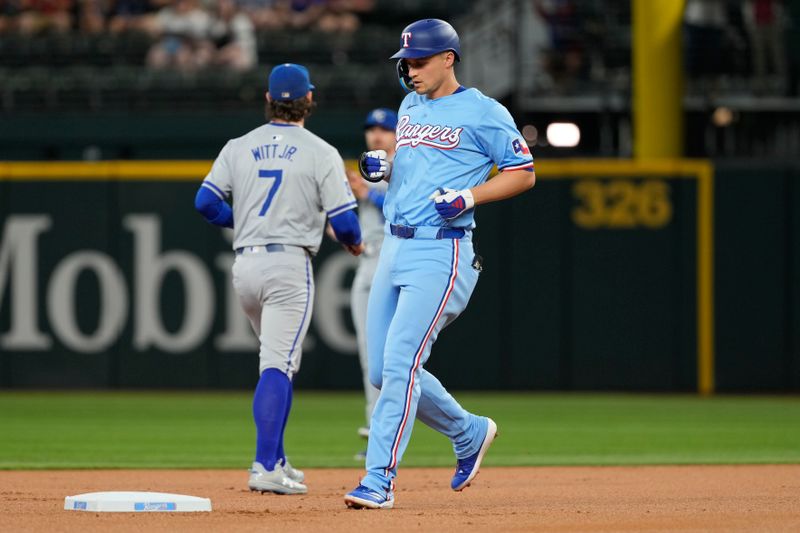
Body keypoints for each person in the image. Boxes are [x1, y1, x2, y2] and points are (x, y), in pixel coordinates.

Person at [343, 19, 535, 510]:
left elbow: (523, 172)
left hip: (442, 249)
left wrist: (471, 194)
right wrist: (383, 171)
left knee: (403, 361)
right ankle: (467, 432)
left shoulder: (483, 111)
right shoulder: (409, 104)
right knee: (384, 373)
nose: (410, 69)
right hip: (394, 246)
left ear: (449, 58)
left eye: (420, 61)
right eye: (405, 62)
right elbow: (410, 172)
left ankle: (378, 479)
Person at [195, 62, 364, 495]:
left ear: (268, 100)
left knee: (278, 364)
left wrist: (247, 224)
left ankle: (280, 458)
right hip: (288, 266)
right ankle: (265, 465)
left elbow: (205, 202)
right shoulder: (320, 151)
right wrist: (354, 243)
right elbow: (344, 222)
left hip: (245, 267)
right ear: (310, 99)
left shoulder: (238, 146)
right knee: (277, 365)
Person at [346, 108, 397, 459]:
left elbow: (407, 207)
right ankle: (376, 431)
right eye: (372, 129)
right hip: (367, 262)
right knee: (369, 358)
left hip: (395, 261)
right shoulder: (365, 170)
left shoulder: (405, 165)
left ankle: (389, 432)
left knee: (394, 356)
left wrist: (368, 195)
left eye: (384, 129)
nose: (377, 135)